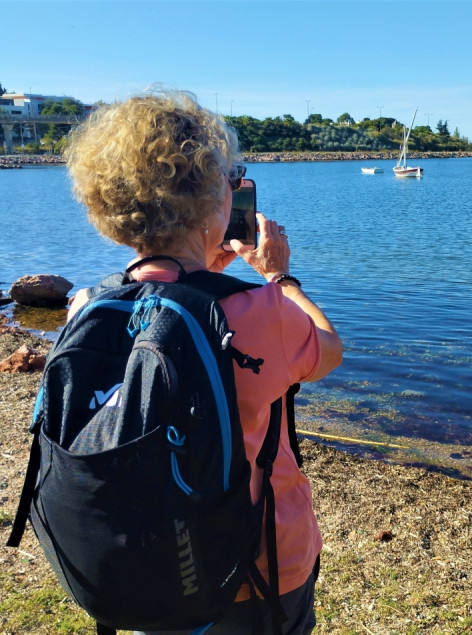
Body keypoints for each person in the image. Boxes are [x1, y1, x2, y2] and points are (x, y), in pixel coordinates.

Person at [64, 88, 343, 634]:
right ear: (213, 199)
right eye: (230, 179)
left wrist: (202, 260)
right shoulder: (258, 312)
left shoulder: (85, 304)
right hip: (252, 568)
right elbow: (328, 349)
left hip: (143, 556)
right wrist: (276, 277)